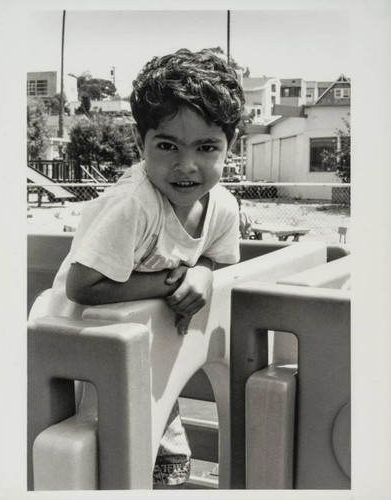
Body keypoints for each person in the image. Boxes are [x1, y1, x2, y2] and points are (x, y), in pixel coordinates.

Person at [46, 48, 245, 488]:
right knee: (89, 463)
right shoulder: (133, 205)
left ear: (231, 146)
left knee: (162, 464)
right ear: (141, 145)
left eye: (207, 147)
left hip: (148, 355)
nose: (186, 166)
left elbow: (218, 257)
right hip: (75, 349)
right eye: (167, 145)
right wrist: (168, 282)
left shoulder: (223, 208)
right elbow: (83, 285)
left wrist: (204, 272)